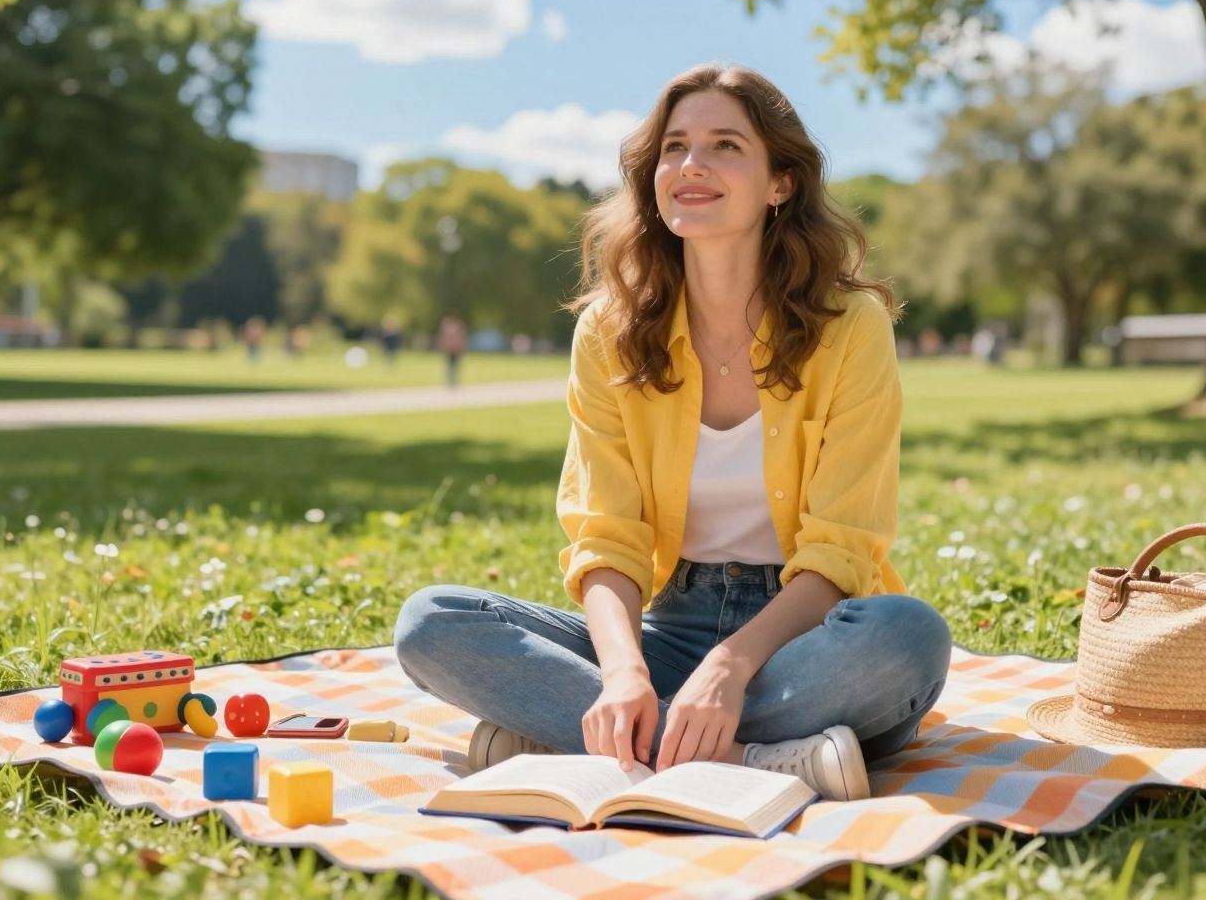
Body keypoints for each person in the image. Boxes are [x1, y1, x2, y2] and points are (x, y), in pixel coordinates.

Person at [394, 63, 952, 802]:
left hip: (805, 635)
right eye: (674, 147)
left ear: (780, 183)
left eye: (726, 145)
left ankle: (596, 741)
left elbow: (843, 549)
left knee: (907, 639)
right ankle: (758, 759)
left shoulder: (850, 327)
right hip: (668, 627)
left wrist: (728, 670)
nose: (692, 164)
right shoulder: (610, 332)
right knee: (431, 623)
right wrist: (624, 672)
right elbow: (607, 537)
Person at [436, 310, 468, 387]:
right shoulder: (447, 326)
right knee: (450, 365)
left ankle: (453, 380)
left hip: (455, 349)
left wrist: (462, 346)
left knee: (454, 365)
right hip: (449, 349)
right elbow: (443, 337)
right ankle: (450, 380)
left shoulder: (455, 326)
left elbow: (462, 337)